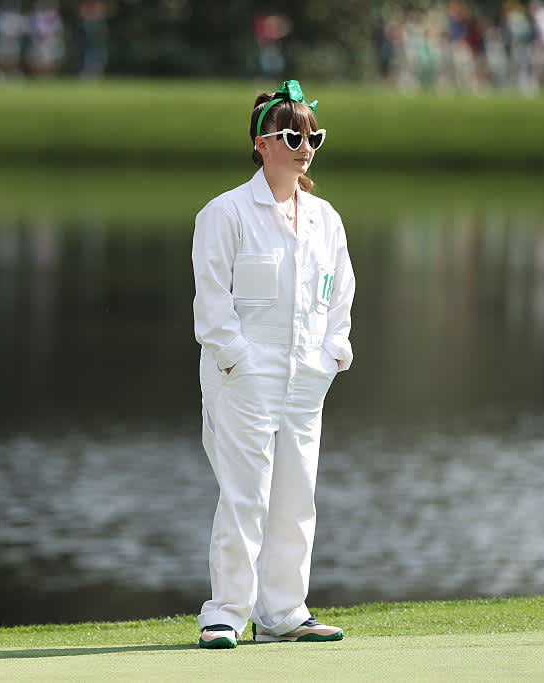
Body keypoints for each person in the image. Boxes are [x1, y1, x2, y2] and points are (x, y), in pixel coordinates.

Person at [191, 80, 353, 649]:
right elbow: (211, 303)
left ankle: (284, 611)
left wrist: (332, 355)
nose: (304, 145)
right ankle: (226, 613)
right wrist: (238, 361)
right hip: (244, 377)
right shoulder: (226, 212)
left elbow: (340, 295)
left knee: (296, 494)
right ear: (262, 143)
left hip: (306, 377)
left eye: (313, 135)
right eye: (292, 135)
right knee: (245, 495)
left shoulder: (325, 219)